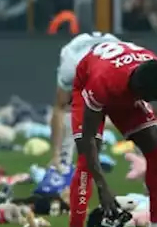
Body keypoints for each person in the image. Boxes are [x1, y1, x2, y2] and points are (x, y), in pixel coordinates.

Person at [69, 39, 157, 227]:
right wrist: (103, 188)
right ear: (140, 92)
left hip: (123, 81)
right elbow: (89, 139)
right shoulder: (103, 82)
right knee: (86, 159)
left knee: (156, 147)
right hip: (89, 83)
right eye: (149, 99)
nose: (151, 104)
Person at [49, 32, 119, 170]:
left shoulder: (122, 65)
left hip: (115, 56)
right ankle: (63, 159)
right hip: (79, 54)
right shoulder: (70, 67)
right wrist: (55, 155)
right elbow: (60, 108)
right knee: (69, 111)